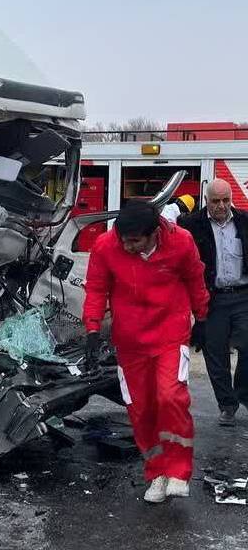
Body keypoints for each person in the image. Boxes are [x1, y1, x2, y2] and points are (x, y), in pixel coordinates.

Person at [83, 200, 209, 503]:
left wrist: (202, 317)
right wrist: (92, 329)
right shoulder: (106, 245)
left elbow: (195, 278)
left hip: (170, 333)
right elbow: (97, 288)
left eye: (135, 241)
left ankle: (178, 471)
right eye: (123, 239)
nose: (127, 246)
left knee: (170, 397)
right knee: (141, 409)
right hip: (130, 342)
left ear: (155, 233)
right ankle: (156, 473)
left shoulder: (181, 241)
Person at [178, 179, 248, 426]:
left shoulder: (244, 221)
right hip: (212, 299)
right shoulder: (190, 225)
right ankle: (227, 405)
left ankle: (242, 391)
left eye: (226, 200)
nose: (221, 206)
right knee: (215, 355)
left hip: (243, 296)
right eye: (216, 201)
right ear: (206, 200)